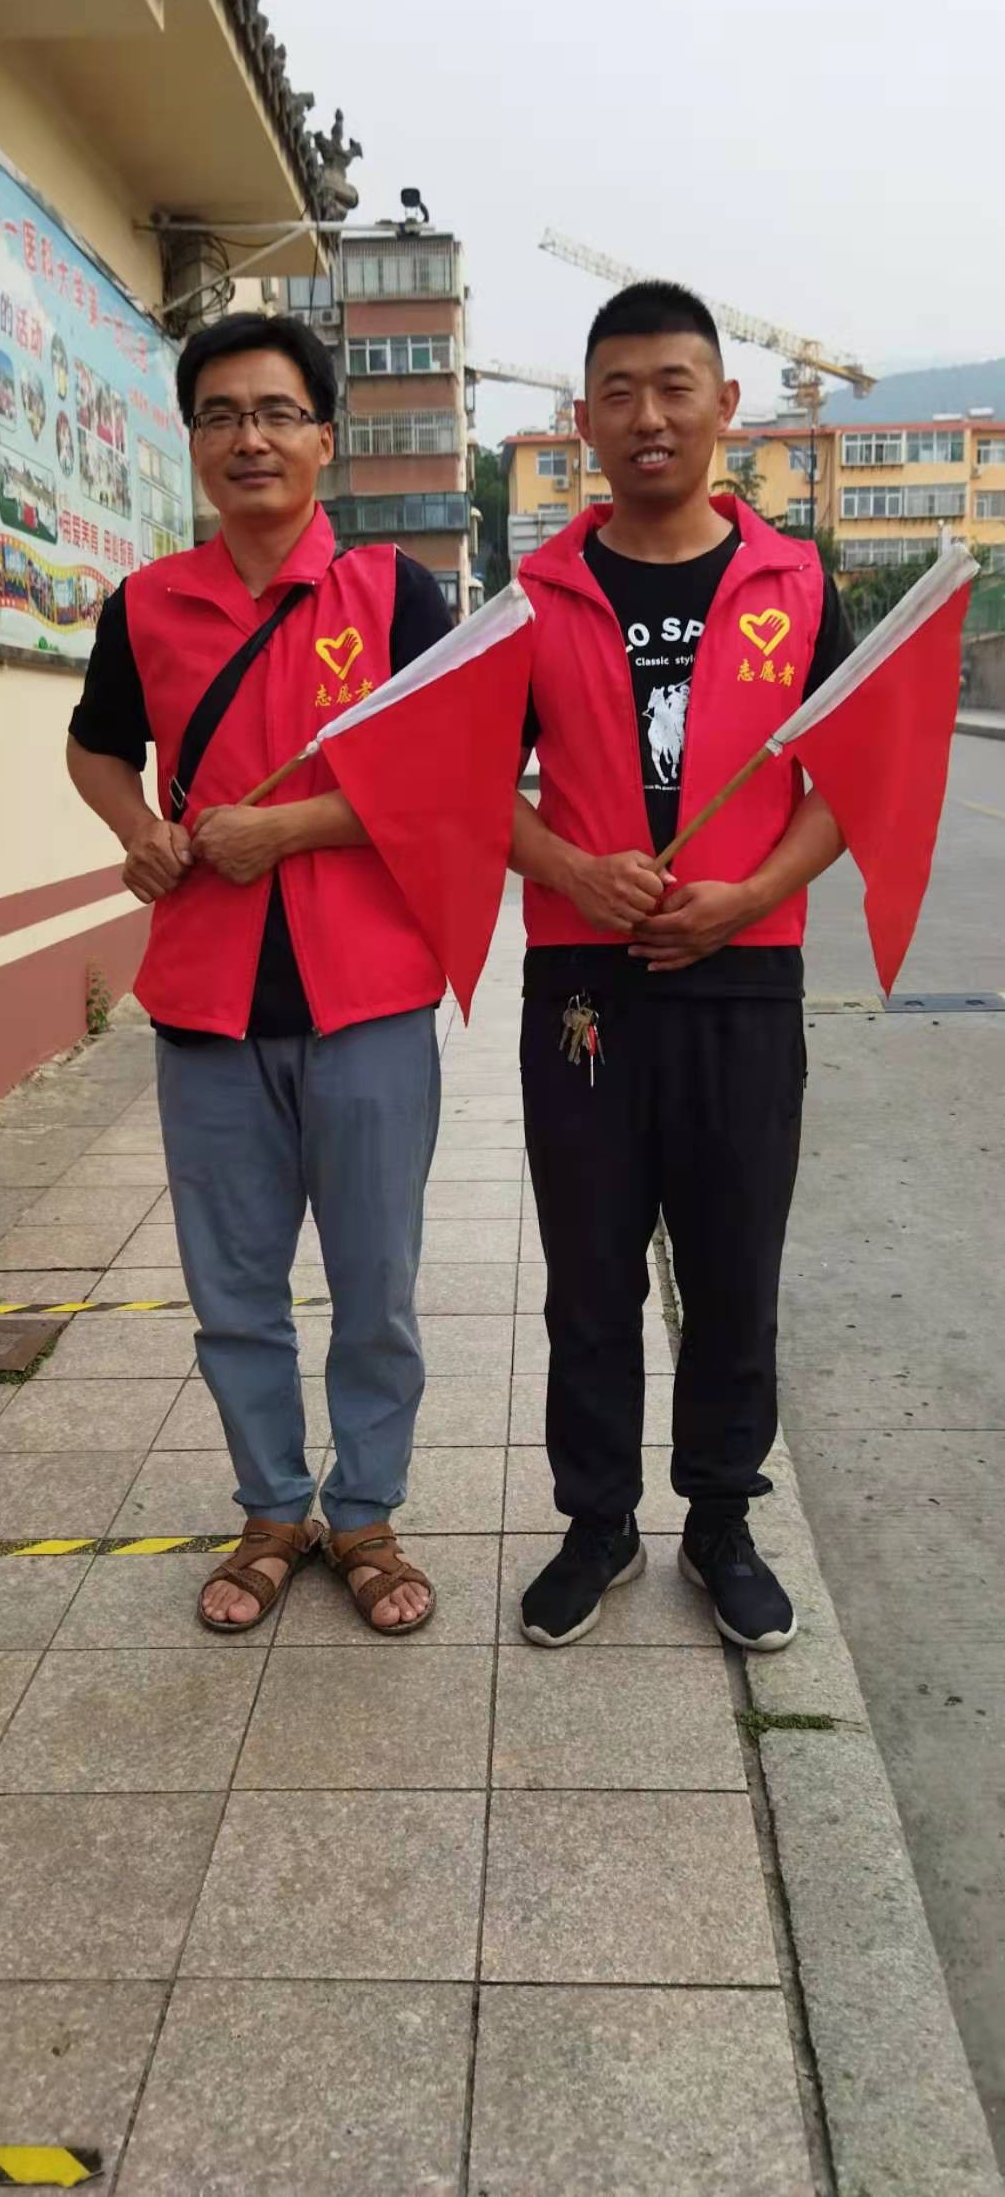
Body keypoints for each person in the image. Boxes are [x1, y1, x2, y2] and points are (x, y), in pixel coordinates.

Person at [67, 311, 453, 1635]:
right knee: (235, 1296)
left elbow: (450, 777)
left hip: (370, 999)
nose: (251, 437)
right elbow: (98, 747)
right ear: (193, 442)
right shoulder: (147, 606)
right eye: (222, 414)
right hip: (206, 1004)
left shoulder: (395, 596)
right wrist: (139, 829)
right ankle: (273, 1512)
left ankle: (369, 1516)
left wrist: (288, 829)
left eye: (278, 412)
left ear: (324, 439)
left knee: (376, 1291)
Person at [511, 281, 852, 1651]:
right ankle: (598, 1523)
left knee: (733, 1271)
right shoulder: (535, 596)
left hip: (743, 983)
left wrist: (749, 896)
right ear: (584, 418)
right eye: (619, 391)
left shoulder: (796, 584)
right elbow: (464, 794)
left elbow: (850, 785)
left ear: (725, 406)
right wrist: (573, 870)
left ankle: (721, 1521)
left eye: (674, 386)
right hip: (583, 988)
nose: (648, 415)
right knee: (589, 1276)